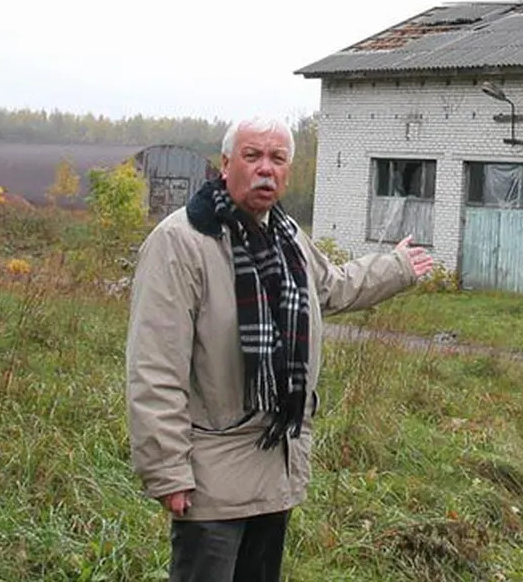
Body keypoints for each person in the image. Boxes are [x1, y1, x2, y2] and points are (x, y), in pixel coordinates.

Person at [126, 115, 433, 582]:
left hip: (277, 462)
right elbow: (154, 367)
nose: (265, 169)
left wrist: (396, 267)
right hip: (213, 474)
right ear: (226, 165)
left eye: (277, 159)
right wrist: (168, 469)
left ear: (289, 170)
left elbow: (330, 287)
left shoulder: (287, 237)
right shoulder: (181, 242)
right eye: (252, 157)